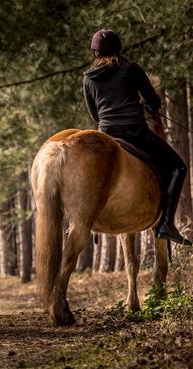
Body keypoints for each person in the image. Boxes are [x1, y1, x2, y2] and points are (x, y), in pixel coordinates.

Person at [83, 28, 192, 245]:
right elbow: (154, 102)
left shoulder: (88, 78)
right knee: (179, 167)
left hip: (106, 135)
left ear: (95, 53)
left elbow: (95, 114)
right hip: (135, 133)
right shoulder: (130, 69)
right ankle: (166, 224)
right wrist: (145, 104)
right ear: (119, 48)